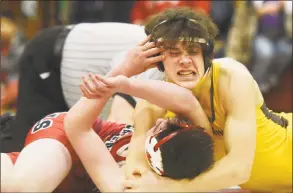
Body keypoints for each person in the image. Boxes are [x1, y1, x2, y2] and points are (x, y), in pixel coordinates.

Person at [84, 7, 292, 193]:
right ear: (158, 59)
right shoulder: (154, 102)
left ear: (206, 55)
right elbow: (135, 172)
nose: (185, 60)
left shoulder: (231, 78)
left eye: (193, 51)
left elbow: (239, 169)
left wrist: (168, 188)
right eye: (174, 53)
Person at [1, 74, 215, 192]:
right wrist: (124, 81)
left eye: (164, 127)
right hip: (67, 136)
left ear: (155, 149)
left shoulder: (130, 182)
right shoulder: (193, 144)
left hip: (75, 165)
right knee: (24, 188)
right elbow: (76, 126)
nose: (160, 119)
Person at [1, 22, 165, 153]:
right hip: (50, 60)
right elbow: (119, 131)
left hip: (73, 87)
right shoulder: (157, 62)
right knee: (28, 150)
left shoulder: (176, 60)